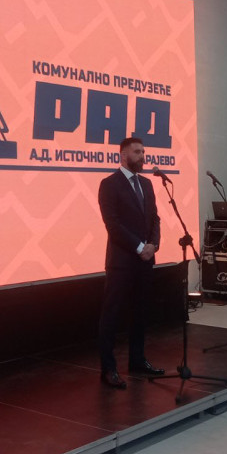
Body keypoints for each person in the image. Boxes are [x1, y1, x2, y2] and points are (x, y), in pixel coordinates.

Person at [97, 137, 165, 389]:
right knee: (112, 315)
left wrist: (154, 245)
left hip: (145, 261)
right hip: (122, 262)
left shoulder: (147, 184)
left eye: (143, 151)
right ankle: (108, 369)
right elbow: (112, 224)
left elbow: (155, 218)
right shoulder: (109, 184)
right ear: (123, 155)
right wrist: (139, 247)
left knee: (140, 312)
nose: (142, 156)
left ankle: (137, 360)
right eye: (137, 152)